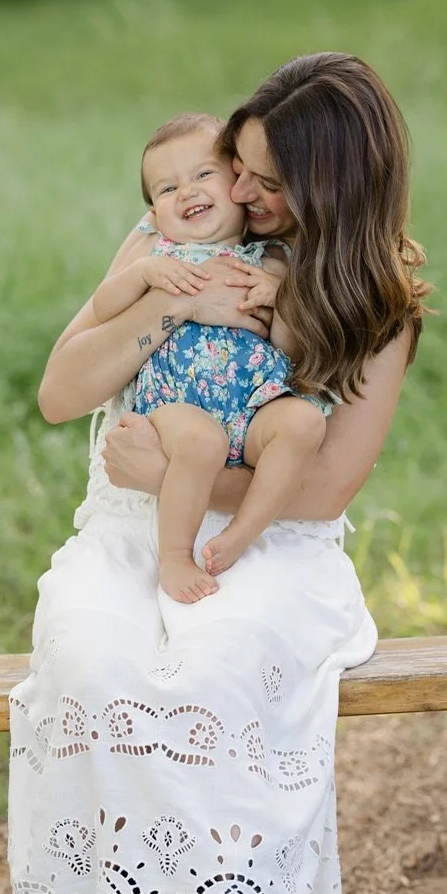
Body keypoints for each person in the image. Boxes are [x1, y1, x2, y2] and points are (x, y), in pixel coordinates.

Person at [8, 52, 428, 894]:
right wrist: (168, 303)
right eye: (238, 168)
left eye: (266, 183)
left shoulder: (374, 297)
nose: (237, 195)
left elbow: (326, 483)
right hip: (125, 533)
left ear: (334, 189)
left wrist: (186, 484)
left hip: (272, 542)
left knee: (219, 670)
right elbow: (62, 395)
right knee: (96, 665)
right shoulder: (173, 239)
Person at [89, 111, 332, 604]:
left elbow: (290, 346)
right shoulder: (157, 254)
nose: (187, 192)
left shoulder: (274, 259)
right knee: (201, 440)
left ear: (239, 190)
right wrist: (142, 279)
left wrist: (280, 297)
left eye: (203, 175)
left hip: (253, 406)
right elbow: (102, 307)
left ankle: (241, 533)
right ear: (155, 215)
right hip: (178, 406)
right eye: (166, 188)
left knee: (305, 424)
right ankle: (175, 558)